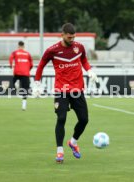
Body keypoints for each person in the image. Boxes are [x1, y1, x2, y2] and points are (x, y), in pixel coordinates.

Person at [33, 23, 98, 163]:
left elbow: (84, 60)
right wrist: (37, 83)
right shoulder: (52, 50)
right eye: (69, 37)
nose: (72, 40)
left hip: (77, 89)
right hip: (61, 89)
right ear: (62, 35)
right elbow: (41, 66)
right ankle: (60, 151)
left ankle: (73, 142)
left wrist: (90, 70)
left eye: (73, 37)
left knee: (84, 120)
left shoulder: (79, 47)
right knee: (61, 118)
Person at [9, 41, 33, 110]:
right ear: (24, 46)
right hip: (25, 73)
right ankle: (24, 104)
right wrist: (28, 69)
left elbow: (10, 59)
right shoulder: (27, 54)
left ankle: (15, 84)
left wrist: (11, 66)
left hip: (17, 72)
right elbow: (31, 64)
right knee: (25, 89)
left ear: (18, 46)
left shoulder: (15, 52)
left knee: (13, 81)